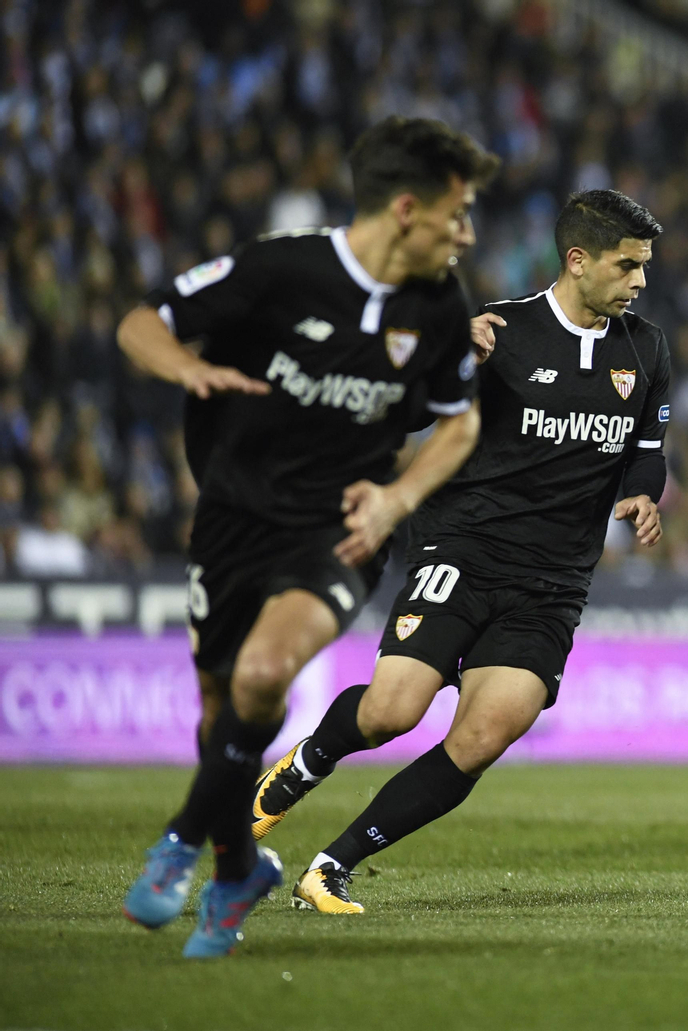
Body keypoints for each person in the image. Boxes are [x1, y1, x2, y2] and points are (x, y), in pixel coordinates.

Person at [118, 116, 498, 957]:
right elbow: (143, 320)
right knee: (220, 709)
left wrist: (398, 498)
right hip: (231, 517)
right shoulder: (278, 269)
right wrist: (187, 368)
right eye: (457, 214)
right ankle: (239, 867)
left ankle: (179, 842)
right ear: (406, 209)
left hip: (337, 529)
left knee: (261, 676)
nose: (466, 234)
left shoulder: (438, 305)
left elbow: (457, 426)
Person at [248, 189, 670, 915]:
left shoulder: (648, 349)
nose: (640, 282)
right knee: (391, 712)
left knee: (481, 734)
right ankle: (307, 761)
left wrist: (640, 493)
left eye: (644, 267)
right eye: (627, 266)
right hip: (464, 548)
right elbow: (408, 413)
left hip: (554, 581)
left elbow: (647, 451)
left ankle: (331, 866)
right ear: (577, 261)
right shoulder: (498, 332)